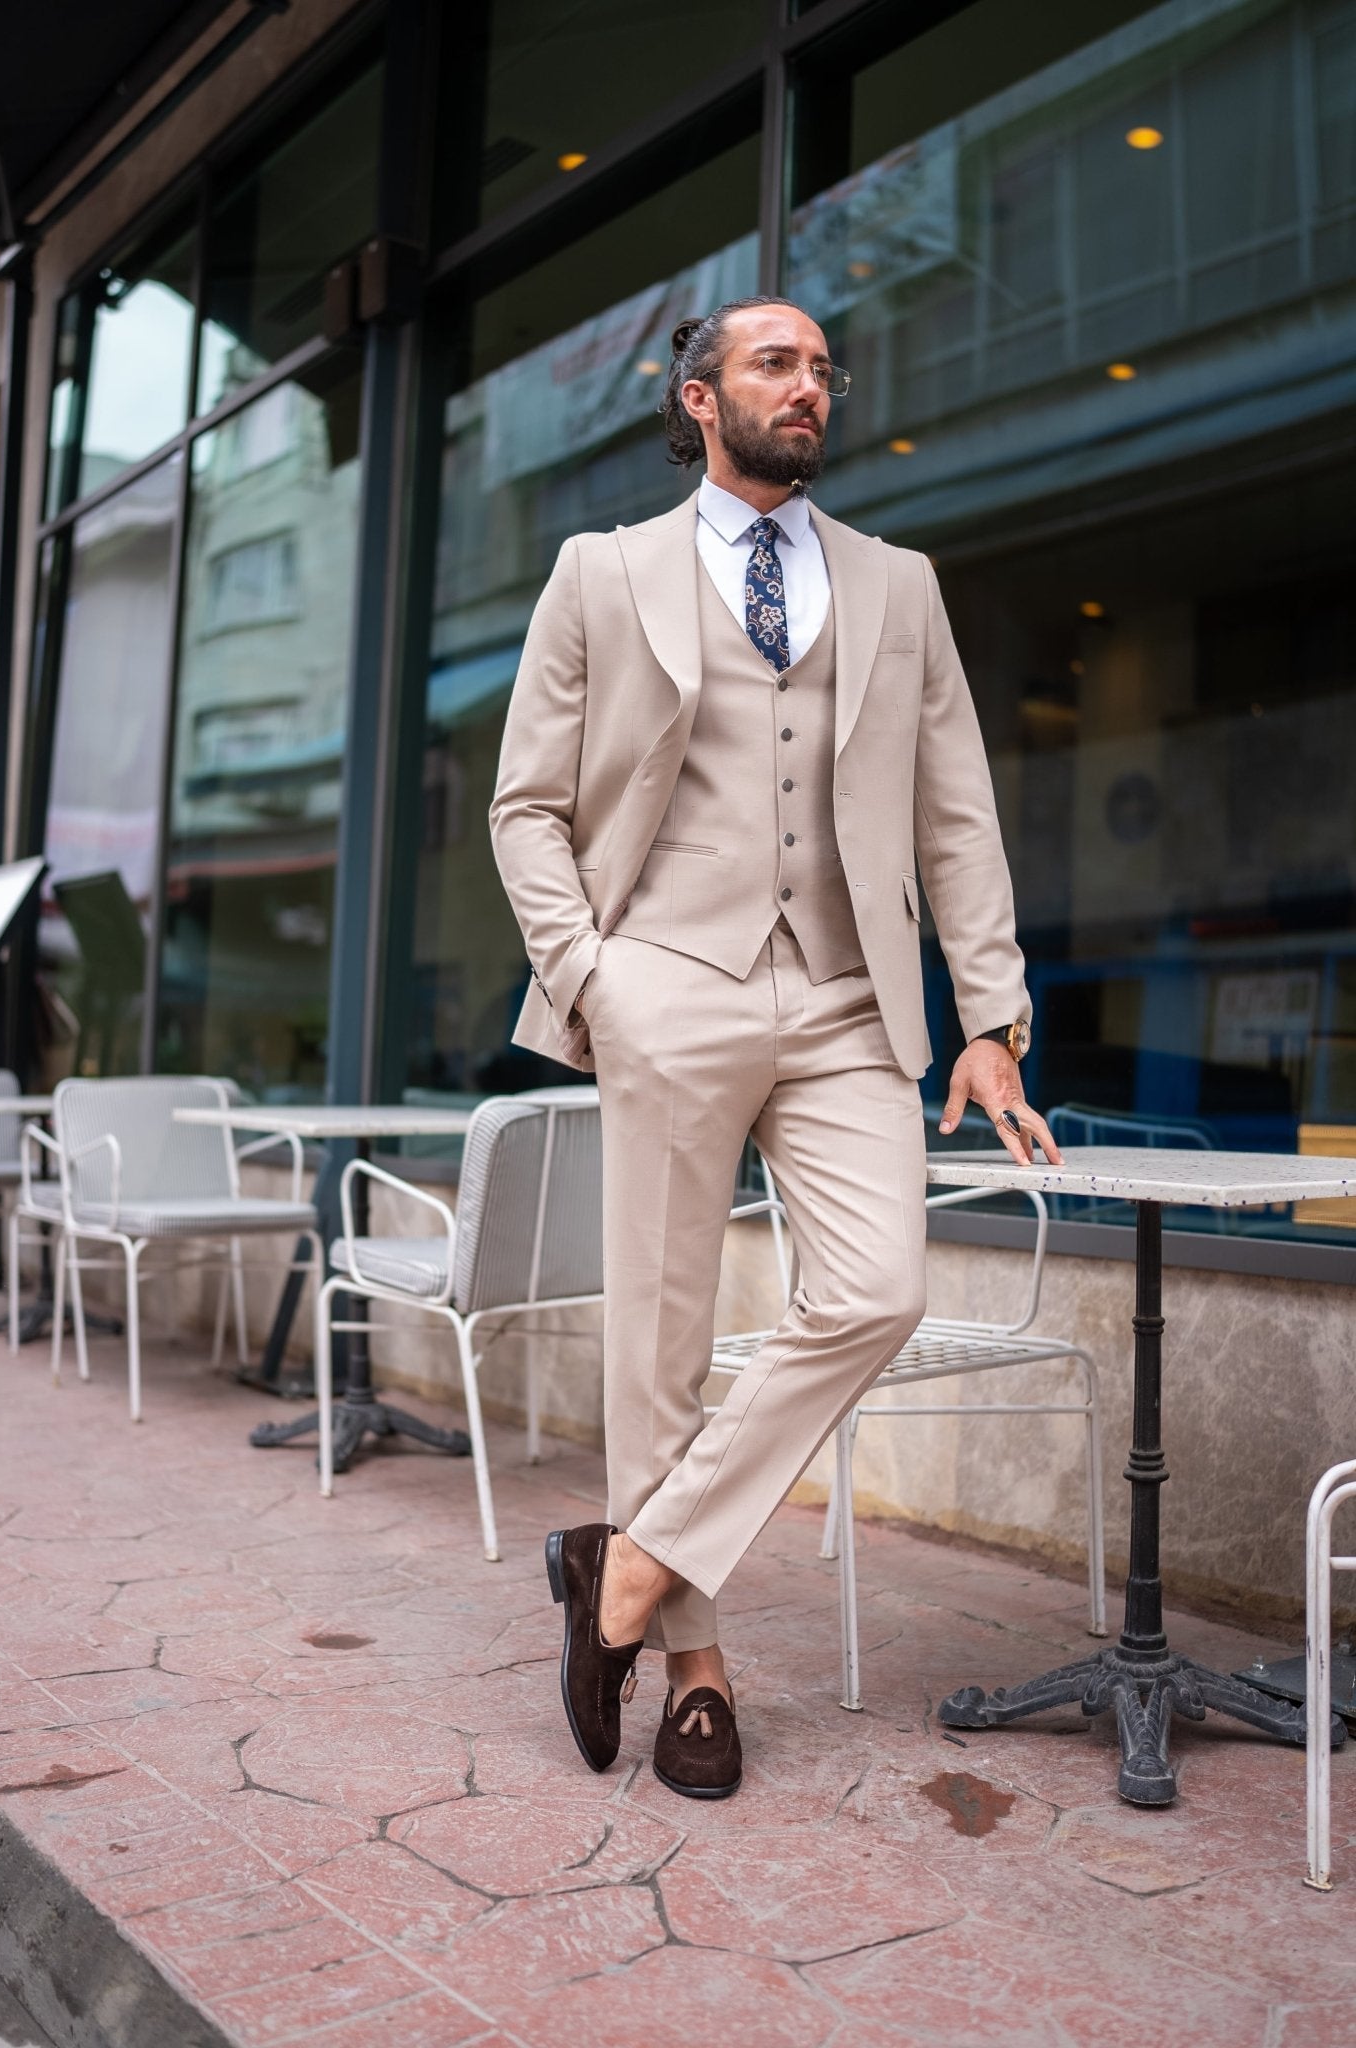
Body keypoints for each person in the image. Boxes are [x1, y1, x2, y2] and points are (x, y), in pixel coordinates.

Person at [489, 295, 1059, 1800]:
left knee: (877, 1288)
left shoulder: (898, 585)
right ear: (699, 399)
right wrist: (593, 977)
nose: (809, 387)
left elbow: (957, 817)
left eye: (821, 369)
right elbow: (525, 808)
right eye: (775, 365)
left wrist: (988, 1019)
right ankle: (694, 1667)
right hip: (664, 978)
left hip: (848, 998)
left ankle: (627, 1568)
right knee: (661, 1352)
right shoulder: (599, 576)